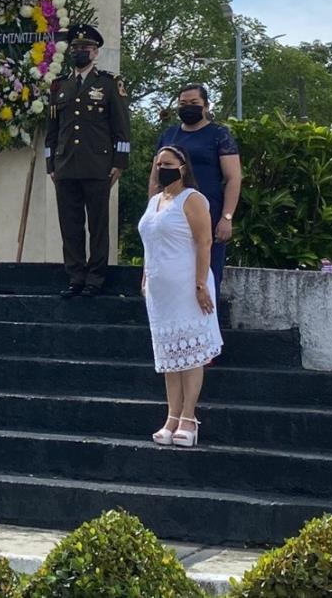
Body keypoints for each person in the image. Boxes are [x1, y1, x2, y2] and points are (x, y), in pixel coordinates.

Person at [139, 145, 223, 448]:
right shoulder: (155, 202)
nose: (162, 168)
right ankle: (171, 415)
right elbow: (149, 244)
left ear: (183, 167)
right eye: (158, 163)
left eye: (168, 163)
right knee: (169, 356)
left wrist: (201, 284)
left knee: (190, 355)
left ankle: (189, 416)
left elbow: (204, 242)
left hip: (188, 286)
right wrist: (145, 276)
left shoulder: (192, 199)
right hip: (160, 292)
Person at [45, 24, 132, 297]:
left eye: (86, 49)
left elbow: (121, 128)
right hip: (65, 166)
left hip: (98, 166)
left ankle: (95, 278)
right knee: (70, 226)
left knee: (97, 225)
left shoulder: (108, 84)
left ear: (96, 53)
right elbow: (52, 131)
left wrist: (119, 162)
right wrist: (51, 165)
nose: (80, 52)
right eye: (76, 49)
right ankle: (75, 276)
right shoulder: (59, 86)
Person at [149, 84, 241, 296]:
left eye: (194, 104)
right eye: (183, 104)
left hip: (208, 213)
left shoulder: (218, 134)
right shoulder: (169, 135)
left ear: (206, 106)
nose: (188, 108)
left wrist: (227, 217)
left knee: (207, 272)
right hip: (170, 213)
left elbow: (233, 177)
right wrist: (152, 210)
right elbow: (155, 177)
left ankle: (208, 324)